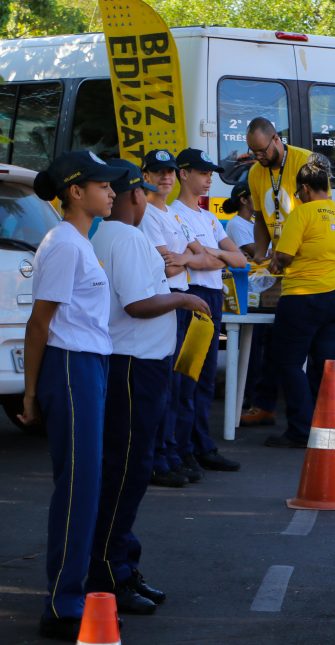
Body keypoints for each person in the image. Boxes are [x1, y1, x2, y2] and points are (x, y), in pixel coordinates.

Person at [87, 159, 211, 615]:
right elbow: (139, 303)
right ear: (135, 196)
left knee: (125, 471)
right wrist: (185, 297)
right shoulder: (129, 238)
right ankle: (109, 573)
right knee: (127, 472)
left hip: (128, 364)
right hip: (135, 367)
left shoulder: (104, 236)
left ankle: (119, 566)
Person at [21, 151, 125, 641]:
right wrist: (29, 395)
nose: (112, 192)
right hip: (69, 365)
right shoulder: (64, 243)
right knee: (79, 487)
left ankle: (72, 594)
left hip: (88, 364)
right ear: (76, 192)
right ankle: (63, 604)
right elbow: (40, 324)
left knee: (87, 482)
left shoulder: (80, 242)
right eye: (103, 185)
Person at [264, 154, 335, 448]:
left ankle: (300, 429)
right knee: (328, 363)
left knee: (289, 362)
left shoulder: (302, 214)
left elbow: (284, 256)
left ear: (305, 189)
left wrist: (276, 262)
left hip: (304, 298)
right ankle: (330, 427)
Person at [170, 148, 247, 471]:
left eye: (210, 174)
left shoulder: (209, 217)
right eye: (202, 173)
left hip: (213, 296)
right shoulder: (175, 214)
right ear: (183, 174)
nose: (207, 181)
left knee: (203, 377)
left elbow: (240, 260)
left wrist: (207, 255)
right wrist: (212, 256)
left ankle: (201, 444)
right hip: (193, 295)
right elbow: (200, 258)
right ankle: (183, 447)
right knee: (186, 376)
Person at [138, 149, 207, 488]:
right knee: (164, 385)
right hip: (168, 299)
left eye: (169, 171)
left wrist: (184, 259)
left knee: (179, 384)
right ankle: (158, 458)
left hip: (181, 298)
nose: (165, 177)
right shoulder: (149, 214)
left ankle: (170, 452)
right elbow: (164, 264)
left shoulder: (173, 215)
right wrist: (185, 259)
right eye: (157, 172)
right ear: (145, 175)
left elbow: (201, 255)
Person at [240, 117, 314, 427]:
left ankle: (305, 417)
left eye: (260, 150)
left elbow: (316, 213)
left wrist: (288, 254)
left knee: (292, 343)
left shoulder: (307, 162)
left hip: (304, 266)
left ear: (276, 139)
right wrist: (259, 253)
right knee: (267, 335)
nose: (257, 156)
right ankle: (264, 404)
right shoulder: (255, 173)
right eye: (251, 151)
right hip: (275, 266)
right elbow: (260, 217)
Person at [223, 181, 256, 258]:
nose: (259, 198)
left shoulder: (254, 222)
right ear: (244, 200)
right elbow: (256, 253)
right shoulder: (236, 224)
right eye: (255, 195)